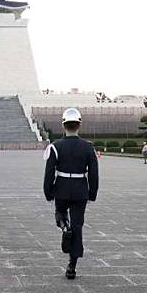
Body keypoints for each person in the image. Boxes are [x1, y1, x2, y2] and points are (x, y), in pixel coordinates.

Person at [43, 108, 99, 279]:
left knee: (60, 213)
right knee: (78, 226)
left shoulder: (55, 147)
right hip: (80, 190)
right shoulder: (88, 147)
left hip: (61, 188)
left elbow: (49, 172)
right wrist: (92, 193)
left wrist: (48, 191)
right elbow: (94, 174)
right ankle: (72, 266)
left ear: (63, 125)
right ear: (79, 125)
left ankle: (63, 226)